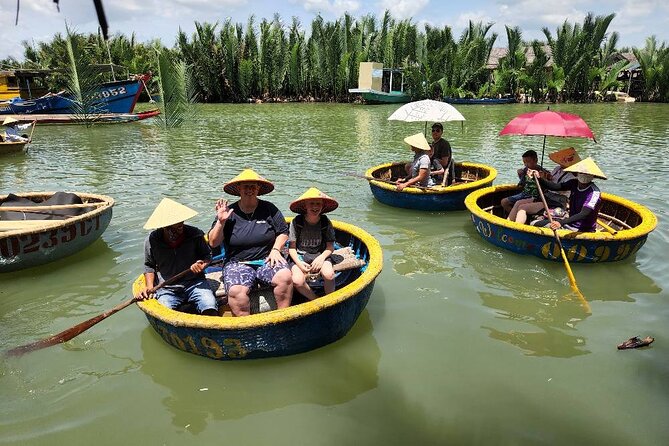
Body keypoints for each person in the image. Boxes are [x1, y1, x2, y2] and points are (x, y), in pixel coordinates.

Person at [207, 169, 292, 316]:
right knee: (236, 291)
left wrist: (276, 249)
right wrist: (221, 222)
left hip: (267, 259)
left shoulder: (269, 208)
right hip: (237, 263)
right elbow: (213, 243)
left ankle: (282, 318)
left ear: (258, 189)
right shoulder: (229, 212)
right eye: (245, 186)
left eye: (253, 186)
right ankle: (246, 328)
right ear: (239, 189)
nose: (249, 190)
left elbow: (283, 232)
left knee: (285, 277)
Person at [134, 198, 218, 316]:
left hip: (194, 283)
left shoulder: (195, 234)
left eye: (178, 227)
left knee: (209, 304)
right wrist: (150, 287)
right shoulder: (152, 240)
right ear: (162, 227)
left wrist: (201, 265)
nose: (174, 233)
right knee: (163, 312)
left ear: (182, 223)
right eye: (169, 229)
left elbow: (207, 255)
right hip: (167, 287)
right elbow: (149, 266)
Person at [530, 157, 606, 232]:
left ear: (593, 176)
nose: (584, 175)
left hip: (581, 229)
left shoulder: (594, 192)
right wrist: (539, 178)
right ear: (577, 173)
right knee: (533, 223)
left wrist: (561, 222)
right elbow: (554, 187)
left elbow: (584, 214)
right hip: (569, 222)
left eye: (587, 174)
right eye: (582, 173)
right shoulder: (573, 183)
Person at [288, 187, 339, 300]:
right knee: (297, 281)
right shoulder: (297, 222)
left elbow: (330, 247)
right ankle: (315, 299)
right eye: (311, 203)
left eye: (318, 204)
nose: (315, 207)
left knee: (329, 275)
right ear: (305, 206)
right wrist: (299, 264)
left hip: (319, 254)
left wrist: (321, 258)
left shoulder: (325, 222)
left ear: (322, 206)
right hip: (300, 256)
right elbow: (291, 248)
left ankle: (330, 300)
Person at [507, 147, 580, 224]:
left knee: (522, 208)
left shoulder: (572, 176)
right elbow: (550, 179)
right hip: (547, 195)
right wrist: (544, 176)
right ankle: (507, 224)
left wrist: (540, 179)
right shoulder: (558, 168)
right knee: (518, 203)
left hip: (557, 200)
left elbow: (556, 187)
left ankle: (517, 229)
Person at [501, 149, 551, 215]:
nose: (526, 164)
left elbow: (549, 185)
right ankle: (514, 216)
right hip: (524, 193)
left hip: (535, 197)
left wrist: (543, 178)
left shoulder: (543, 172)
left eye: (528, 162)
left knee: (518, 203)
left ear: (535, 160)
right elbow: (523, 182)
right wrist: (520, 174)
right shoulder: (525, 170)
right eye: (524, 162)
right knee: (504, 202)